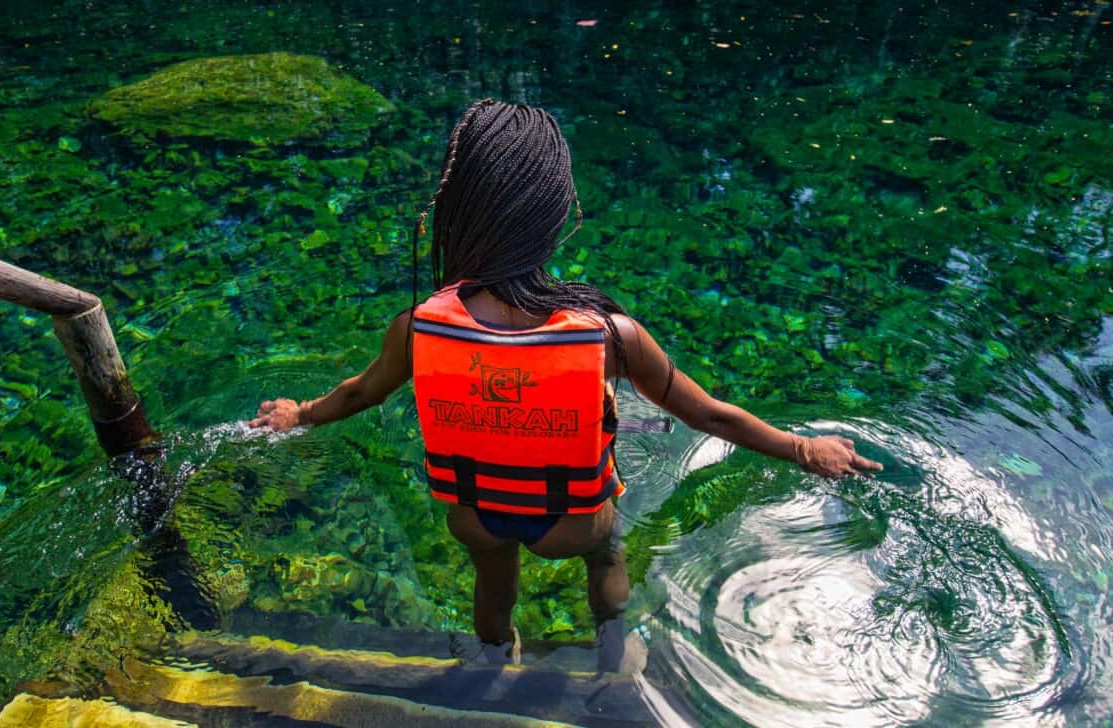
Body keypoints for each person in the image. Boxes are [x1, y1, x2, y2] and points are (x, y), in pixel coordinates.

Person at [249, 99, 883, 670]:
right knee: (607, 557)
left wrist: (299, 414)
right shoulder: (610, 335)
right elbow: (710, 417)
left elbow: (361, 393)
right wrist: (803, 448)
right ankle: (614, 649)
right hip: (568, 524)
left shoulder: (417, 328)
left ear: (461, 215)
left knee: (492, 590)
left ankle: (498, 658)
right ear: (557, 218)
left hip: (476, 516)